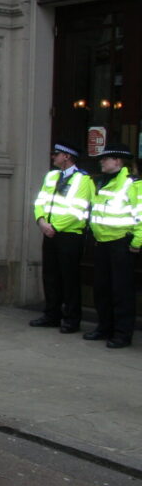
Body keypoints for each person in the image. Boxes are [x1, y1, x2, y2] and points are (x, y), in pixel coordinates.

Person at [30, 141, 94, 333]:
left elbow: (77, 209)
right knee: (50, 275)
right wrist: (41, 221)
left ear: (67, 156)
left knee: (69, 278)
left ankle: (72, 319)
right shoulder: (51, 176)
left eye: (56, 154)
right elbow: (40, 200)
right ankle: (52, 314)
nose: (53, 157)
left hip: (69, 235)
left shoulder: (83, 179)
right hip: (49, 232)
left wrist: (54, 227)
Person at [84, 144, 141, 349]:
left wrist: (137, 242)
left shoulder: (132, 184)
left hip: (121, 243)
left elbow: (141, 214)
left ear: (117, 161)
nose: (101, 161)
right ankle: (104, 328)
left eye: (105, 158)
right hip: (102, 242)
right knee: (102, 289)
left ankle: (122, 333)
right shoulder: (100, 181)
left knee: (121, 291)